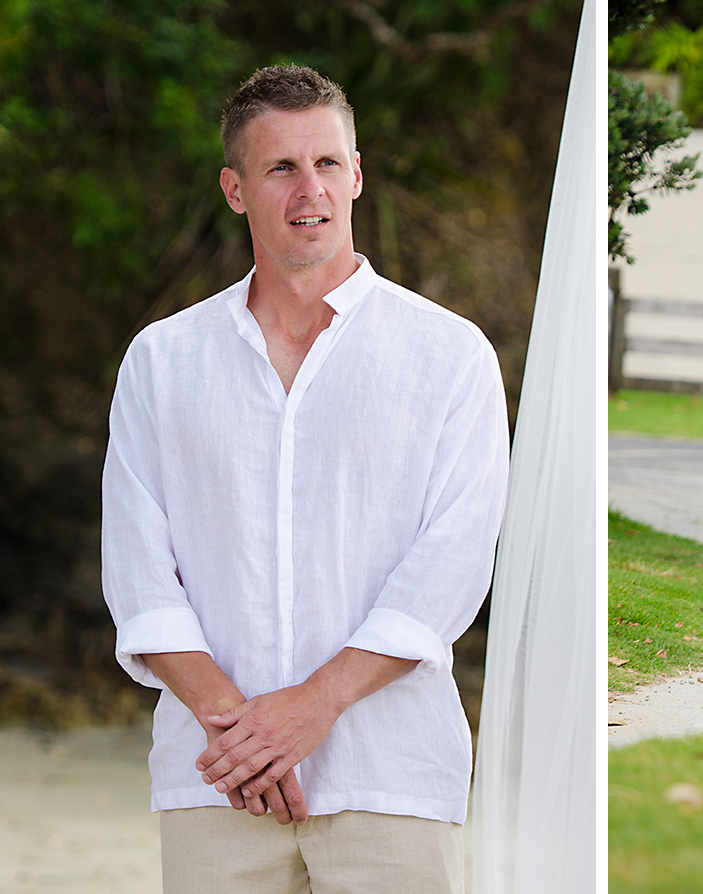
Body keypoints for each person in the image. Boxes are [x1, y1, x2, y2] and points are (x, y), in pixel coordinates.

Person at [101, 65, 509, 892]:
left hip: (390, 779)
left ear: (356, 175)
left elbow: (452, 565)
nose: (308, 188)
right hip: (216, 781)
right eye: (280, 167)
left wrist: (314, 705)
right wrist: (245, 733)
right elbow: (140, 574)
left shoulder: (450, 354)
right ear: (235, 189)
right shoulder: (162, 360)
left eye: (326, 163)